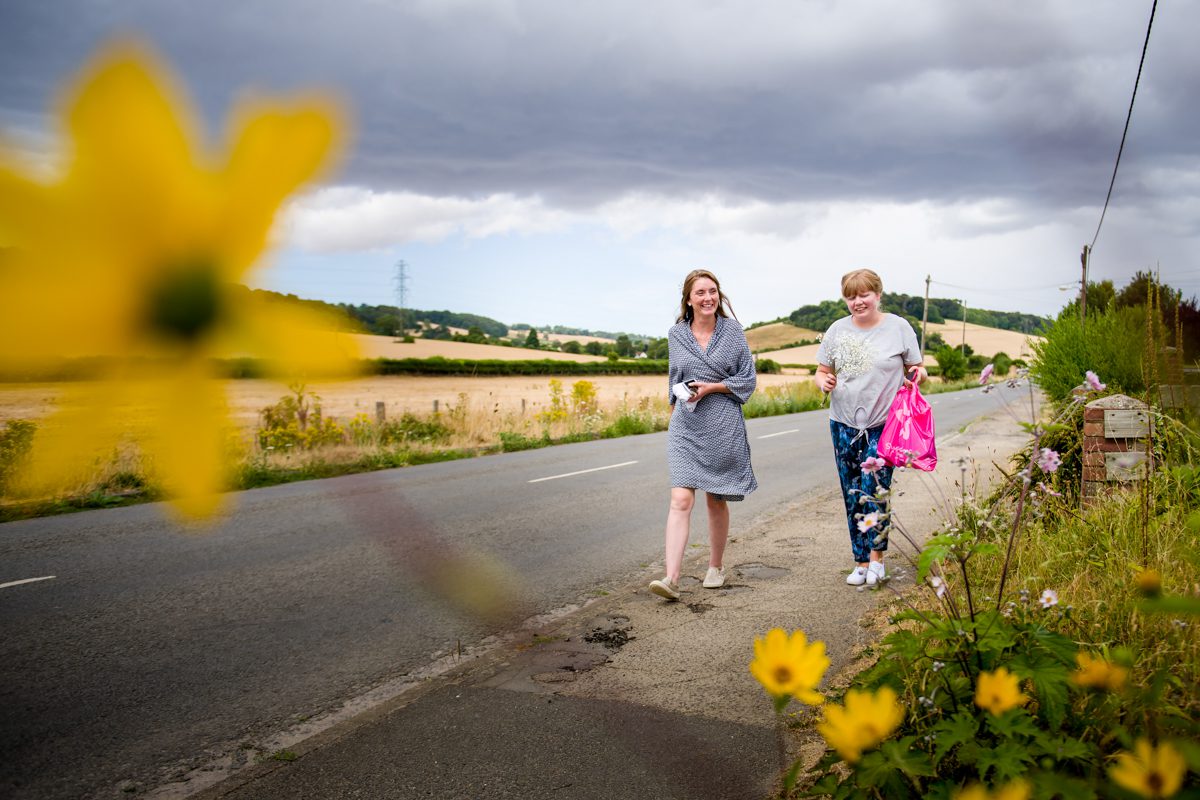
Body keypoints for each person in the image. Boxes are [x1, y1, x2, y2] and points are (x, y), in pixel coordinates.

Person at [649, 269, 758, 601]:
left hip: (723, 423)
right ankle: (672, 578)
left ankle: (715, 566)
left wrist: (713, 387)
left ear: (719, 296)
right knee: (681, 499)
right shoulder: (676, 334)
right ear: (688, 299)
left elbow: (748, 379)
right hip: (686, 423)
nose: (707, 297)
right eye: (700, 293)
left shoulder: (733, 332)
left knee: (715, 500)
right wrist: (673, 417)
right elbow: (673, 380)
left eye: (712, 291)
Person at [814, 269, 927, 587]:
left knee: (873, 490)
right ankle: (860, 562)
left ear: (878, 294)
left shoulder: (899, 328)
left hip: (885, 424)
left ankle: (877, 559)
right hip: (843, 423)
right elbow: (821, 372)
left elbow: (916, 366)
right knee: (851, 493)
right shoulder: (837, 330)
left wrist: (918, 375)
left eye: (864, 294)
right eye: (851, 296)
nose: (858, 301)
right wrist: (825, 381)